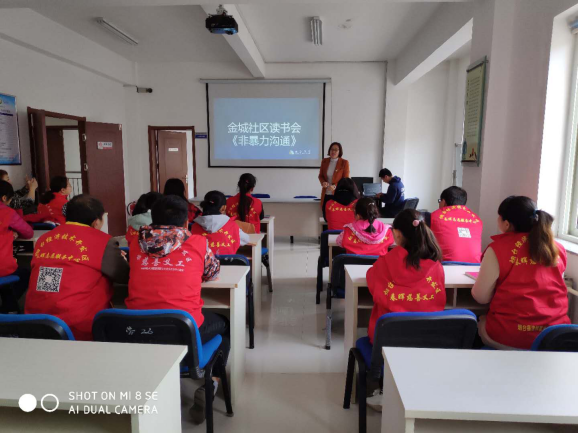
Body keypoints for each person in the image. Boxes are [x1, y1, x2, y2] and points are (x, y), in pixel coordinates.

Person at [126, 195, 224, 424]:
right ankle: (211, 383)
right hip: (181, 330)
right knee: (223, 325)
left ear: (152, 219)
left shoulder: (135, 243)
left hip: (136, 332)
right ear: (186, 222)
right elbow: (212, 273)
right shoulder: (198, 242)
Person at [365, 209, 445, 411]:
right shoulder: (436, 266)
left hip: (388, 338)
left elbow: (372, 281)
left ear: (398, 234)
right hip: (427, 337)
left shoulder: (387, 262)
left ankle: (382, 387)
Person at [25, 195, 129, 341]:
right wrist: (121, 259)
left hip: (36, 320)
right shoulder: (102, 241)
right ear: (96, 222)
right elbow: (123, 276)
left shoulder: (44, 239)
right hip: (78, 325)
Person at [472, 196, 569, 350]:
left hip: (511, 335)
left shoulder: (498, 249)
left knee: (478, 321)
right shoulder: (556, 248)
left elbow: (481, 297)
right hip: (554, 336)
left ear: (506, 223)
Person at [425, 186, 483, 263]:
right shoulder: (477, 219)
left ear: (443, 202)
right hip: (475, 266)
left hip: (445, 265)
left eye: (439, 201)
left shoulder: (432, 217)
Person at [0, 180, 33, 313]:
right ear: (4, 198)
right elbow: (28, 233)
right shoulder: (7, 212)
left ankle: (8, 309)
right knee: (25, 274)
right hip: (3, 267)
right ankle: (8, 310)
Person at [191, 190, 250, 255]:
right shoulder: (232, 225)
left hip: (202, 261)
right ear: (223, 208)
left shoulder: (194, 227)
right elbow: (246, 239)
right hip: (228, 261)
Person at [318, 142, 350, 218]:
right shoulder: (324, 161)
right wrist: (323, 182)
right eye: (332, 149)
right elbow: (321, 176)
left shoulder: (344, 162)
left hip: (338, 195)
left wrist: (335, 186)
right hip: (326, 194)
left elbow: (345, 180)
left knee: (336, 218)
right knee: (326, 216)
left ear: (339, 151)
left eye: (336, 150)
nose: (333, 151)